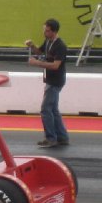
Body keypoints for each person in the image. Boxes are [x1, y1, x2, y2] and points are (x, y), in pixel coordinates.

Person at [25, 19, 69, 148]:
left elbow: (55, 66)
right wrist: (32, 46)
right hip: (51, 80)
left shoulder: (60, 46)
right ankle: (62, 137)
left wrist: (36, 63)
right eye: (44, 29)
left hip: (55, 81)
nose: (44, 32)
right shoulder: (49, 41)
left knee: (45, 110)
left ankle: (51, 138)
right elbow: (41, 53)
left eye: (47, 30)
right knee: (53, 110)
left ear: (54, 31)